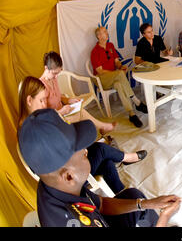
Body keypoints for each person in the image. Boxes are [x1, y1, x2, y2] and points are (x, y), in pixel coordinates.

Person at [18, 108, 181, 227]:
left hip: (98, 218)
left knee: (133, 195)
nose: (86, 150)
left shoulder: (56, 186)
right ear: (69, 176)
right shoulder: (74, 221)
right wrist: (164, 218)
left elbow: (100, 204)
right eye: (81, 152)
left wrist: (146, 204)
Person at [18, 76, 147, 194]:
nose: (44, 104)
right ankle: (127, 158)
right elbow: (52, 165)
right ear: (29, 100)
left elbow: (61, 147)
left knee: (106, 162)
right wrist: (78, 154)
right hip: (68, 180)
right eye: (41, 100)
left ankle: (120, 193)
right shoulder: (32, 131)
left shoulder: (34, 123)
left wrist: (79, 150)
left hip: (69, 166)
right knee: (101, 149)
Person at [39, 51, 116, 134]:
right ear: (46, 68)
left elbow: (58, 97)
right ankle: (102, 127)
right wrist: (61, 112)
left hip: (63, 113)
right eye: (55, 73)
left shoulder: (53, 79)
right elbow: (44, 116)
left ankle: (102, 127)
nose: (57, 76)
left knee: (81, 112)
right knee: (81, 116)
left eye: (58, 73)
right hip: (56, 120)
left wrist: (69, 100)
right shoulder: (40, 87)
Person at [90, 27, 148, 128]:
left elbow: (116, 61)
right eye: (104, 32)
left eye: (106, 31)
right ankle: (136, 100)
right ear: (99, 36)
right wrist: (118, 72)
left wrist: (121, 66)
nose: (107, 33)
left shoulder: (110, 45)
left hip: (114, 77)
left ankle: (131, 114)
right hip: (101, 79)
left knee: (119, 84)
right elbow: (100, 71)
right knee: (120, 74)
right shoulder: (95, 51)